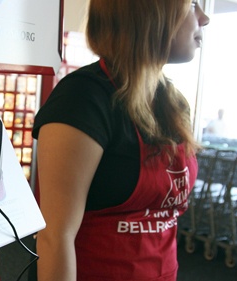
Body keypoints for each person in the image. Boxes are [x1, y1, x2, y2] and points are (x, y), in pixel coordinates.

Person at [31, 1, 210, 280]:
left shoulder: (173, 102)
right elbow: (55, 237)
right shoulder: (83, 97)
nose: (205, 18)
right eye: (192, 5)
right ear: (150, 12)